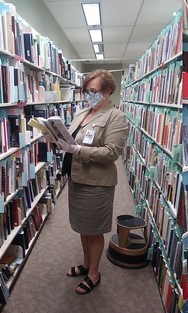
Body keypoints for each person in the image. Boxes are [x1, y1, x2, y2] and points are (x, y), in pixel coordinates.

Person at [44, 69, 128, 294]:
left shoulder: (115, 116)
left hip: (97, 183)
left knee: (94, 230)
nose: (87, 96)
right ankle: (86, 263)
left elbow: (112, 153)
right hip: (77, 178)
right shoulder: (82, 113)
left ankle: (94, 273)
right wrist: (55, 140)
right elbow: (69, 141)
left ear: (108, 92)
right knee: (83, 227)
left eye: (93, 91)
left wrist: (78, 149)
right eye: (85, 91)